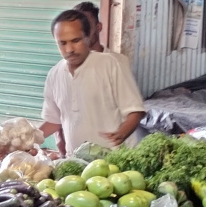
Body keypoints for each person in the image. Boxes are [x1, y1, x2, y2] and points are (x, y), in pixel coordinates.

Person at [38, 9, 145, 154]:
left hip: (115, 160)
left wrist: (121, 134)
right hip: (77, 163)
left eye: (76, 40)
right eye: (62, 43)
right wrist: (25, 140)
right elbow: (53, 121)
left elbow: (135, 111)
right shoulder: (54, 74)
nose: (69, 49)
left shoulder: (111, 64)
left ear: (88, 37)